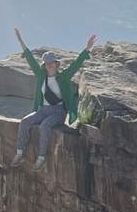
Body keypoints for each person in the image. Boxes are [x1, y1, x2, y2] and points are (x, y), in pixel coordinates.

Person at [11, 28, 97, 172]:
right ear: (44, 65)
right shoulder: (40, 75)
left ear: (56, 64)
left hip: (58, 111)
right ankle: (19, 153)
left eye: (52, 62)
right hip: (43, 109)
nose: (50, 65)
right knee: (25, 122)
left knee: (45, 126)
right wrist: (20, 41)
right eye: (47, 63)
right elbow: (30, 58)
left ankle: (41, 158)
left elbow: (76, 64)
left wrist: (87, 49)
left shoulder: (63, 76)